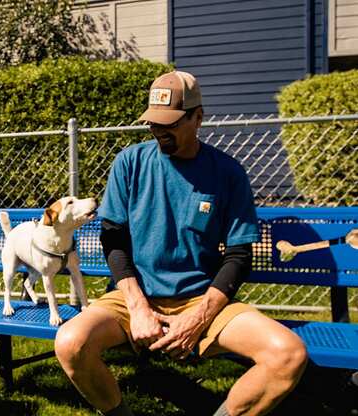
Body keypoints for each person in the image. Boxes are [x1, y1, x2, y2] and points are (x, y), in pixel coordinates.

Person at [54, 70, 308, 416]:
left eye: (170, 123)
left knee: (288, 355)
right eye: (153, 123)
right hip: (133, 298)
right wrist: (140, 309)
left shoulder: (227, 172)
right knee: (70, 344)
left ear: (198, 117)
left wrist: (198, 319)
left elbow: (238, 256)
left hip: (202, 298)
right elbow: (113, 240)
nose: (159, 132)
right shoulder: (130, 163)